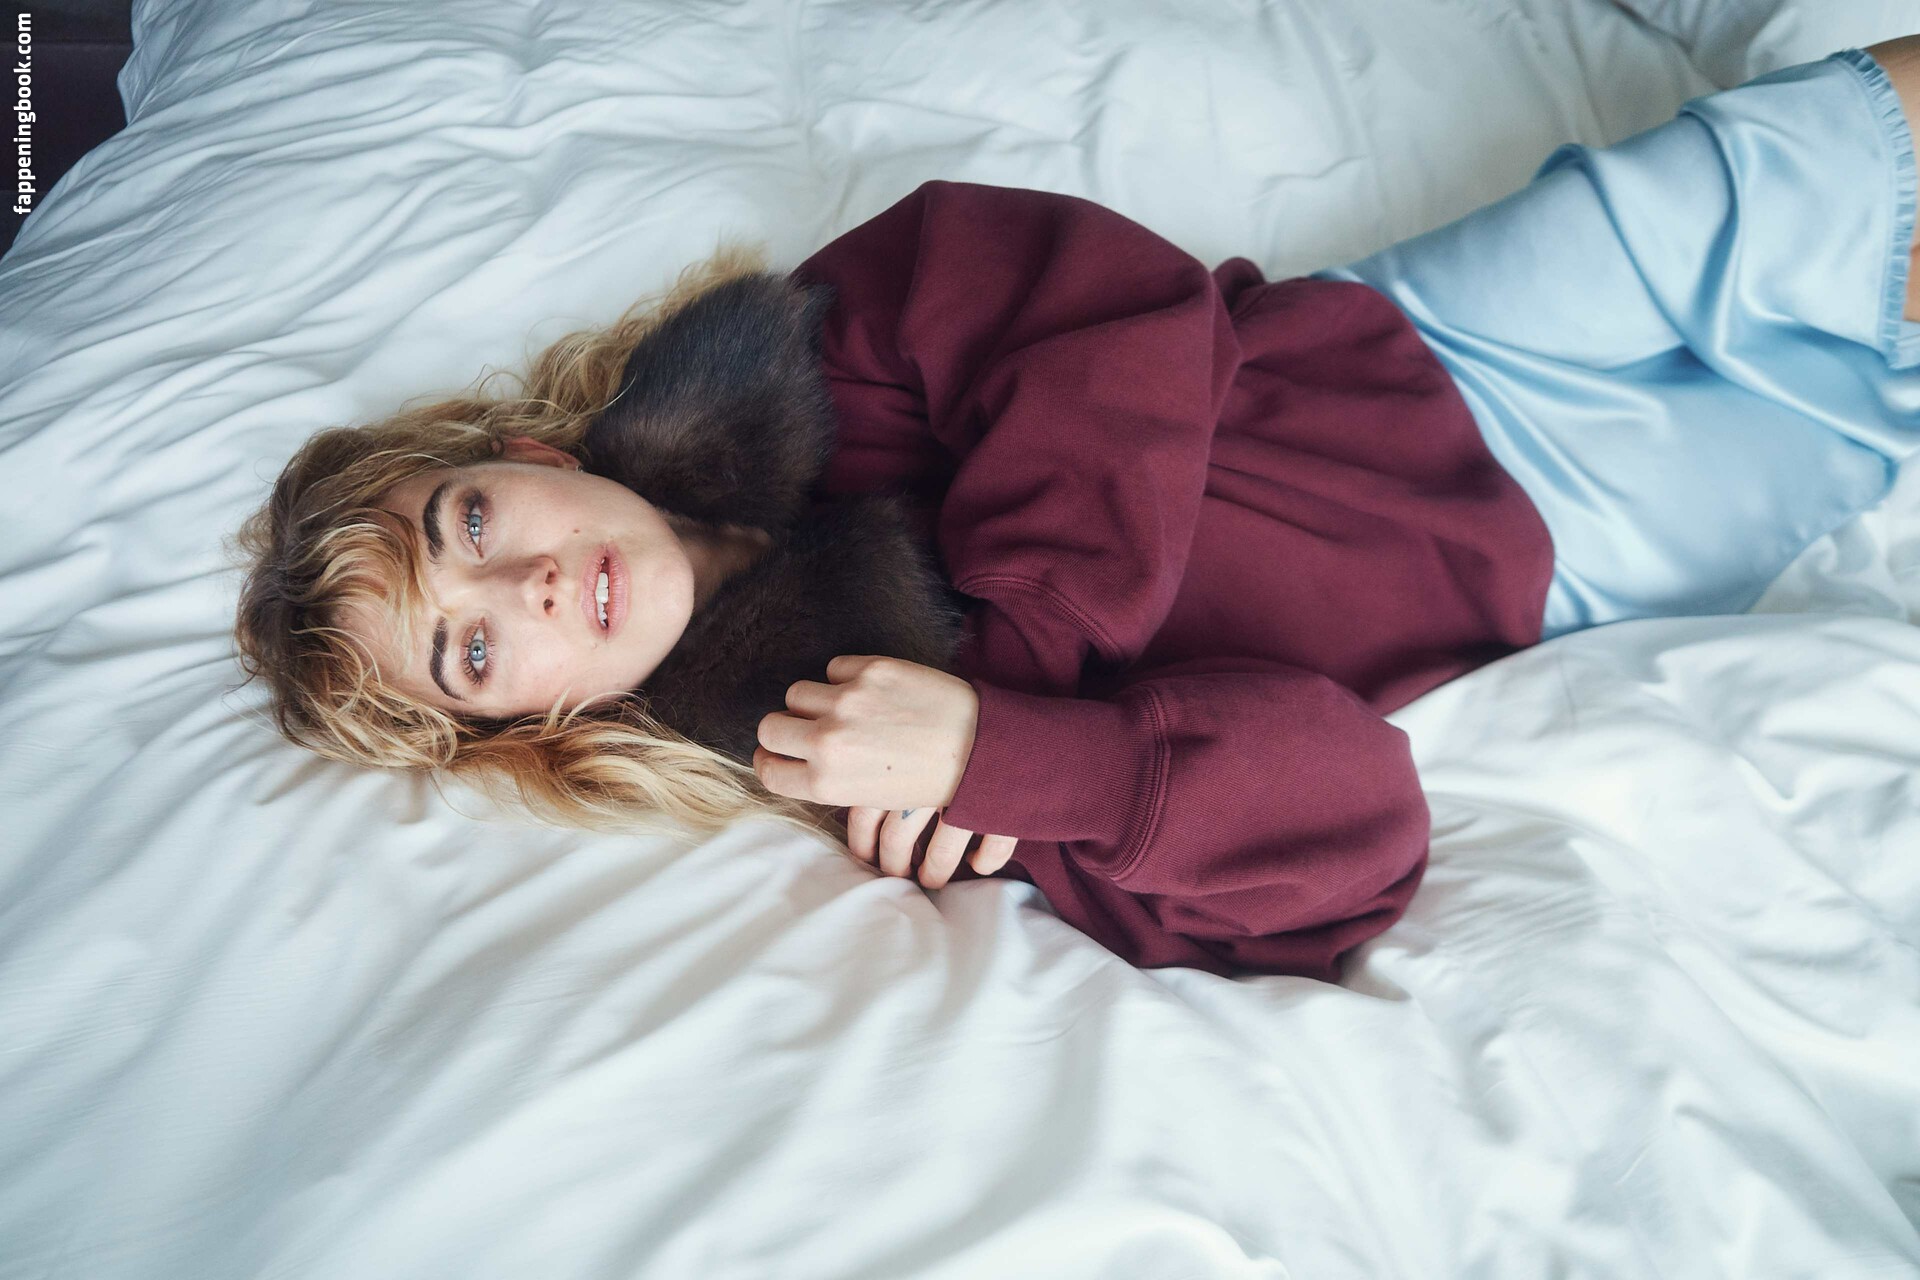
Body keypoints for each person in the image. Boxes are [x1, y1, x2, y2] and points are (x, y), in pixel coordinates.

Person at [231, 38, 1920, 983]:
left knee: (1818, 149)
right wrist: (1015, 756)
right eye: (470, 651)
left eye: (468, 526)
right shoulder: (867, 772)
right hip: (1555, 549)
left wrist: (1022, 664)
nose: (524, 585)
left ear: (521, 454)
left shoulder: (785, 359)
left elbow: (1101, 307)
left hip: (1412, 335)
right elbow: (1355, 838)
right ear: (531, 726)